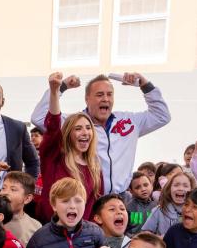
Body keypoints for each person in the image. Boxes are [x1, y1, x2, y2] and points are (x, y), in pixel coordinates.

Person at [31, 72, 171, 193]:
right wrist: (60, 87)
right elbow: (39, 117)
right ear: (87, 99)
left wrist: (144, 84)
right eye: (99, 95)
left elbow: (162, 116)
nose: (105, 99)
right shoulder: (73, 123)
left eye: (109, 94)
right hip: (86, 199)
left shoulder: (129, 122)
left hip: (120, 199)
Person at [37, 72, 103, 222]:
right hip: (51, 230)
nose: (85, 132)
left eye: (88, 127)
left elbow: (95, 206)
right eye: (78, 128)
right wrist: (54, 91)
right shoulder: (54, 157)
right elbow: (53, 124)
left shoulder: (95, 167)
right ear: (67, 134)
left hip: (81, 236)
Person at [141, 171, 193, 237]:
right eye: (176, 185)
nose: (180, 188)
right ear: (169, 189)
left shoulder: (195, 212)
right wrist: (159, 239)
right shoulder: (159, 210)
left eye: (185, 186)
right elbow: (145, 233)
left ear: (191, 190)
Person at [0, 170, 41, 246]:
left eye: (13, 189)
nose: (5, 193)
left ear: (27, 198)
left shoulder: (36, 227)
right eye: (3, 188)